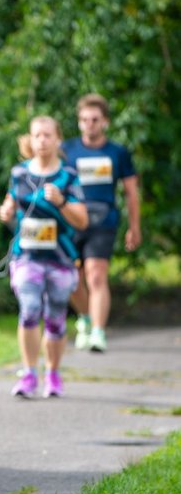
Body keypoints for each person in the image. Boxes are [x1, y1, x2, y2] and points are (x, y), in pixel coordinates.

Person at [0, 116, 88, 397]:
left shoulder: (69, 176)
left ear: (58, 139)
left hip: (61, 258)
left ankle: (53, 373)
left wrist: (61, 202)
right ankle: (28, 374)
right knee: (29, 310)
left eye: (48, 135)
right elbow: (10, 204)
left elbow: (82, 220)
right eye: (37, 135)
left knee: (55, 318)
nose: (42, 141)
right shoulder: (19, 173)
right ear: (31, 139)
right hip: (27, 256)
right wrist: (5, 212)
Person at [61, 93, 142, 352]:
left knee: (96, 275)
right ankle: (85, 318)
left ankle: (98, 332)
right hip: (72, 221)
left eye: (95, 119)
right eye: (84, 120)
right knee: (72, 279)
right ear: (79, 122)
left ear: (105, 121)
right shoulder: (67, 150)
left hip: (103, 221)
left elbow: (131, 192)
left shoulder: (117, 152)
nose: (89, 124)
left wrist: (134, 227)